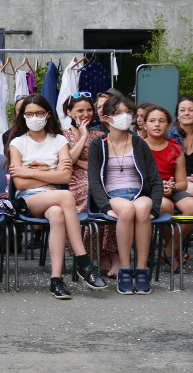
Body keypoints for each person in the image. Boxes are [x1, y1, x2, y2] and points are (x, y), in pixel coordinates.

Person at [7, 94, 107, 299]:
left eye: (39, 113)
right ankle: (83, 261)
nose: (34, 117)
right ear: (23, 117)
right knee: (65, 197)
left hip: (53, 197)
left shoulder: (59, 140)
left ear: (48, 114)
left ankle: (56, 281)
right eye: (29, 114)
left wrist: (29, 172)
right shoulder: (17, 142)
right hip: (29, 199)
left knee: (57, 213)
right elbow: (20, 183)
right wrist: (48, 176)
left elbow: (65, 175)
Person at [88, 95, 163, 295]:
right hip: (115, 196)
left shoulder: (139, 143)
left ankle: (142, 270)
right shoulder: (98, 145)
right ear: (106, 118)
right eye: (118, 113)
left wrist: (154, 206)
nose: (124, 116)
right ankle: (125, 269)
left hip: (140, 194)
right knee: (128, 210)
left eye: (127, 112)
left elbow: (155, 180)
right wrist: (105, 207)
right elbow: (94, 180)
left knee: (142, 209)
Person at [62, 93, 120, 277]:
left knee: (112, 195)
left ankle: (110, 251)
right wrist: (83, 136)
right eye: (80, 110)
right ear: (69, 112)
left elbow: (105, 165)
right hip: (71, 181)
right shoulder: (61, 135)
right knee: (90, 191)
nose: (86, 114)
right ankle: (93, 253)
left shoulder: (102, 135)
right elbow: (66, 163)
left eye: (89, 110)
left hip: (99, 178)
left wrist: (79, 161)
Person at [143, 105, 193, 274]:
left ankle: (170, 250)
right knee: (165, 206)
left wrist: (172, 186)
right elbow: (136, 179)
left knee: (191, 206)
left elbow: (183, 183)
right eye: (152, 121)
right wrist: (159, 188)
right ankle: (173, 254)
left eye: (161, 121)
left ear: (169, 126)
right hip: (147, 188)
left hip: (172, 187)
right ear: (144, 125)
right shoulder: (139, 147)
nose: (157, 124)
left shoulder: (175, 148)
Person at [166, 96, 193, 178]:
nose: (186, 113)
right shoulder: (168, 135)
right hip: (176, 182)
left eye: (191, 110)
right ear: (177, 116)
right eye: (182, 110)